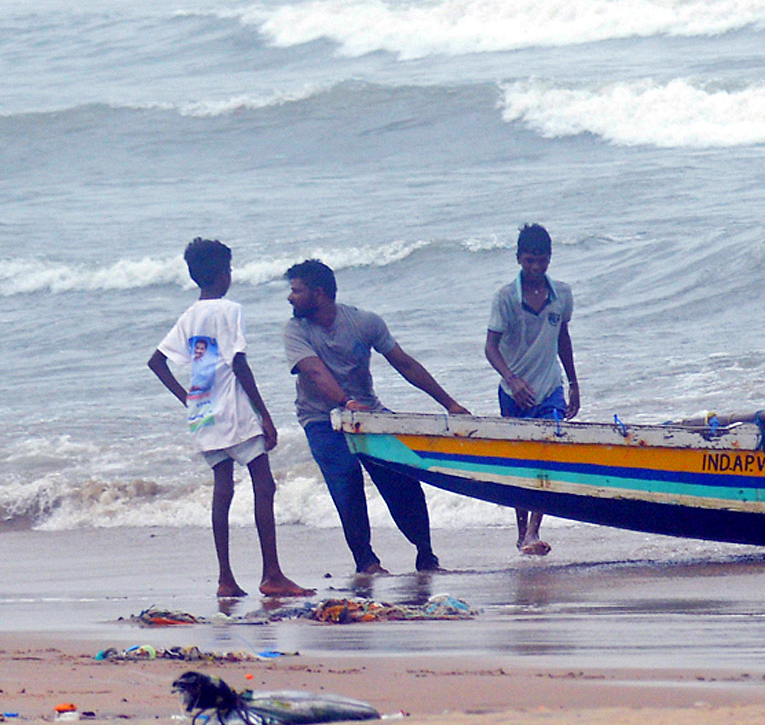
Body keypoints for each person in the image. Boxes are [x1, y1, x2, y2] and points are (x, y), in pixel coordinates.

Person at [148, 238, 314, 599]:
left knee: (222, 491)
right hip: (234, 411)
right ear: (224, 274)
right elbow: (238, 363)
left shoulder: (189, 316)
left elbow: (157, 362)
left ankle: (226, 578)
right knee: (263, 484)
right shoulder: (228, 309)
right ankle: (272, 573)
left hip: (204, 414)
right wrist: (264, 414)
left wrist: (188, 400)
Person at [283, 259, 468, 575]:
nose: (290, 297)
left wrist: (450, 404)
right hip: (321, 418)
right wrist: (345, 401)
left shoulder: (363, 322)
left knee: (403, 475)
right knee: (346, 477)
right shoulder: (295, 330)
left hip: (369, 414)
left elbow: (405, 364)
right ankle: (366, 562)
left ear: (319, 293)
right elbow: (315, 371)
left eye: (296, 291)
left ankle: (426, 556)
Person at [485, 223, 579, 556]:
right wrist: (511, 379)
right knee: (520, 463)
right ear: (518, 259)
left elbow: (562, 339)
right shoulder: (506, 298)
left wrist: (573, 383)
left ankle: (534, 532)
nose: (536, 268)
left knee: (546, 456)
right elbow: (490, 347)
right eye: (529, 261)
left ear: (550, 259)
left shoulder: (562, 295)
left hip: (549, 387)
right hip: (513, 391)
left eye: (542, 261)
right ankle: (521, 530)